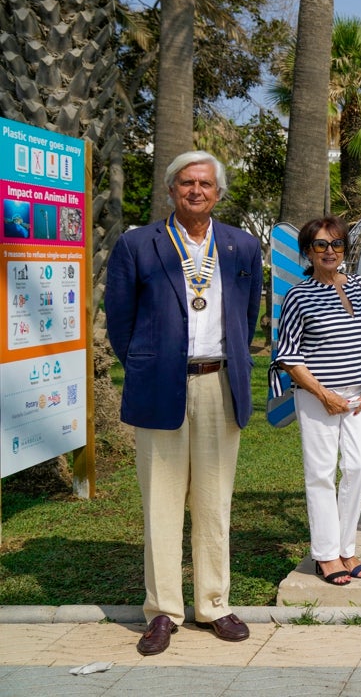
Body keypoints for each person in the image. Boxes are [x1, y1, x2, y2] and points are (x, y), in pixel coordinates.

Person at [105, 151, 263, 655]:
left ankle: (214, 604)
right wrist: (147, 365)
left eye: (206, 184)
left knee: (215, 501)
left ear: (218, 192)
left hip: (221, 383)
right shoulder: (137, 244)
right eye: (187, 183)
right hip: (160, 385)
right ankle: (163, 612)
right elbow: (119, 320)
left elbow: (249, 310)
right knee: (162, 502)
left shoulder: (241, 245)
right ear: (172, 190)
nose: (197, 190)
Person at [272, 216, 361, 586]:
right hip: (317, 398)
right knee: (321, 474)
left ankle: (347, 547)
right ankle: (326, 556)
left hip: (360, 396)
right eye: (321, 245)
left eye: (337, 244)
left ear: (345, 249)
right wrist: (323, 394)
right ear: (308, 251)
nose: (330, 251)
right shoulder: (299, 295)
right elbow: (288, 355)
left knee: (359, 469)